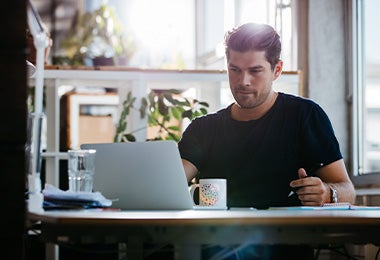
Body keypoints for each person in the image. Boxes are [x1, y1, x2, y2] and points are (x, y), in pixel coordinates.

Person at [178, 22, 356, 259]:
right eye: (235, 69)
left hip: (286, 251)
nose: (243, 81)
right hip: (217, 250)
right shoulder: (203, 129)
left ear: (277, 69)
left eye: (255, 70)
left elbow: (347, 191)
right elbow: (171, 186)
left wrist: (326, 193)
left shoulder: (305, 116)